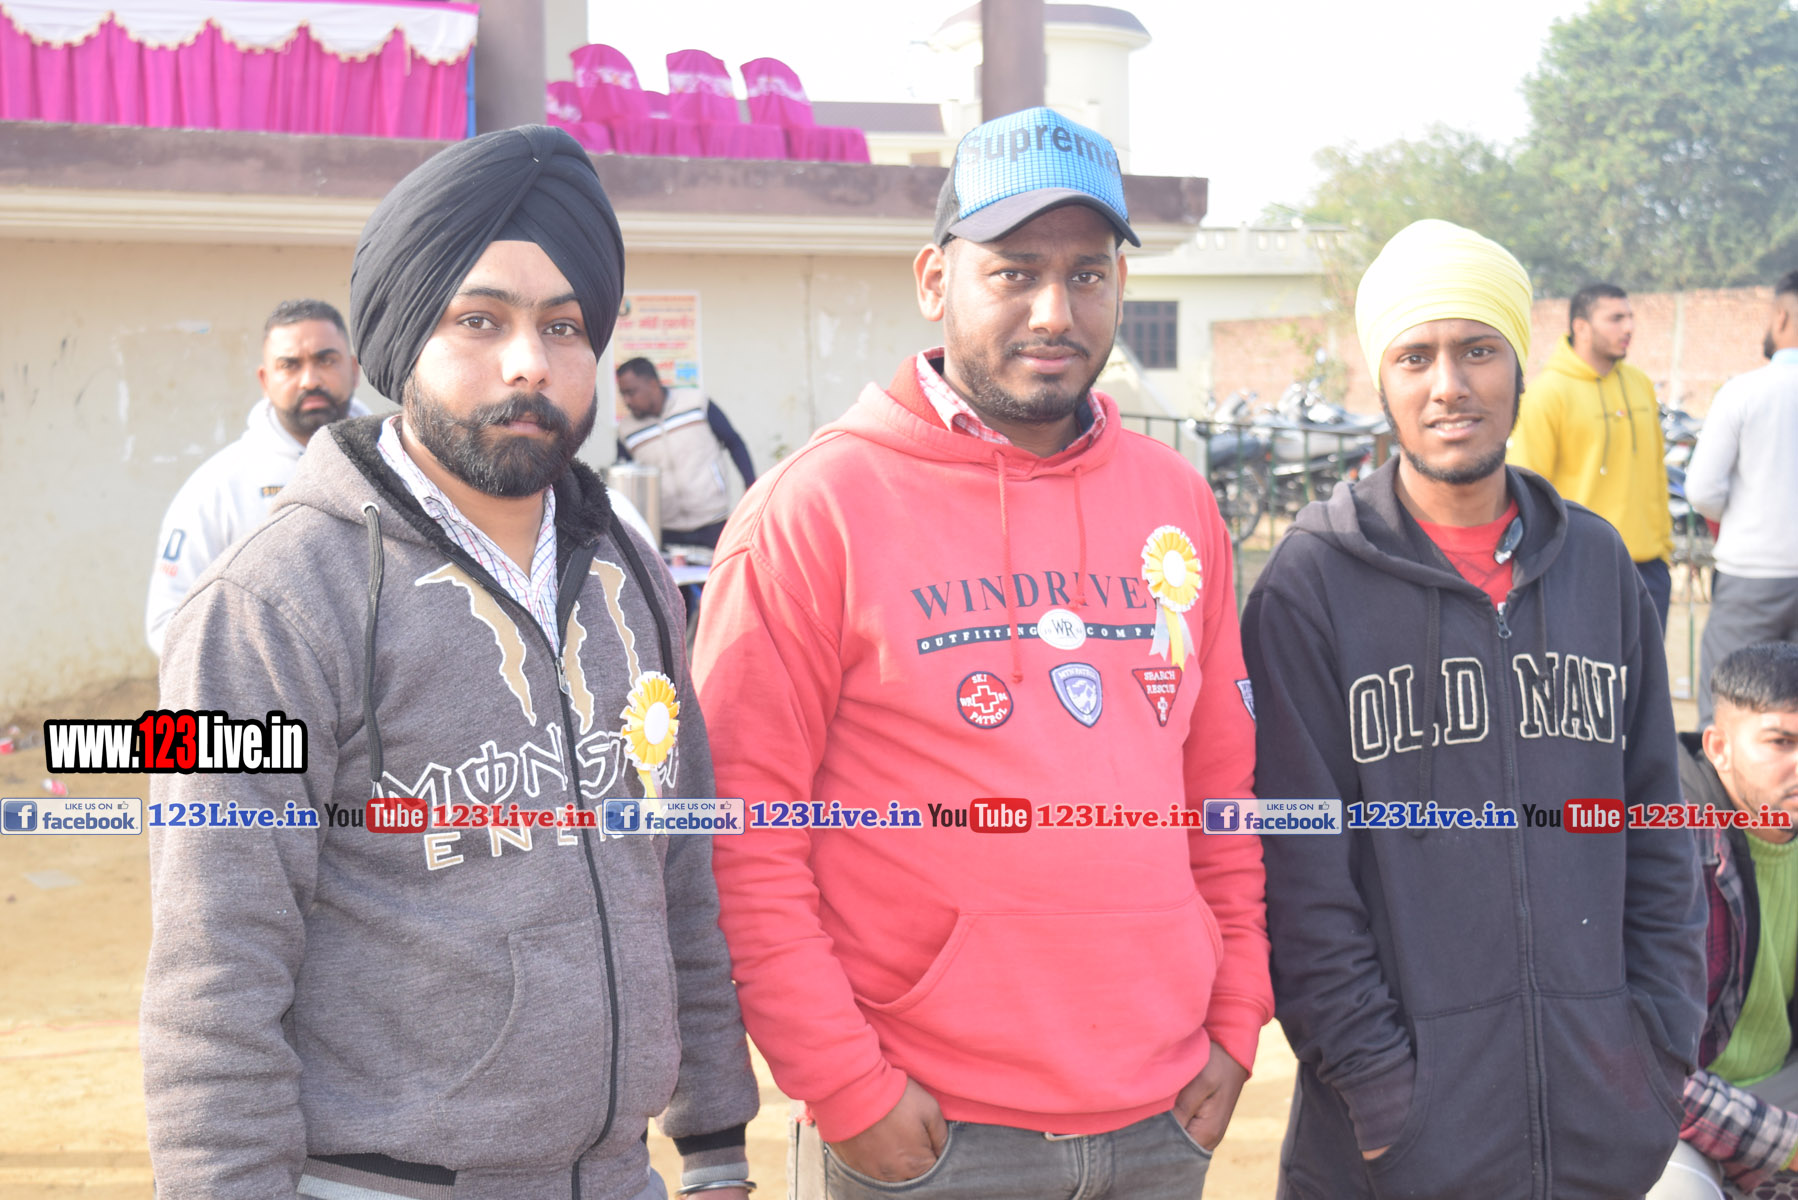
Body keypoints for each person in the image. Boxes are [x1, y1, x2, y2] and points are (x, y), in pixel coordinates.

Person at [140, 126, 758, 1200]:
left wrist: (714, 1148)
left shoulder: (633, 580)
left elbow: (680, 875)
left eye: (564, 326)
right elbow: (214, 961)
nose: (529, 362)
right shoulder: (262, 606)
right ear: (400, 340)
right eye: (480, 321)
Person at [694, 106, 1272, 1200]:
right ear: (935, 280)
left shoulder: (1176, 505)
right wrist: (845, 1085)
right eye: (1013, 272)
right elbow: (742, 833)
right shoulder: (815, 511)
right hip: (930, 1134)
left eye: (1087, 274)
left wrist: (1238, 1013)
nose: (1055, 312)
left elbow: (1221, 793)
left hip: (1164, 1118)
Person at [1244, 219, 1707, 1199]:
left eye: (1477, 350)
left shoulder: (1597, 568)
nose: (1448, 384)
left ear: (1519, 369)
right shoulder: (1311, 584)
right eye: (1415, 356)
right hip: (1389, 1145)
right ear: (1383, 381)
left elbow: (1656, 823)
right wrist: (1379, 1089)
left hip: (1594, 1123)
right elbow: (1298, 869)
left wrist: (1657, 1047)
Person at [1649, 643, 1798, 1200]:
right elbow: (1638, 1063)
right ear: (1719, 748)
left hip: (1778, 1083)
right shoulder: (1666, 847)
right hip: (1677, 1108)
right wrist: (1783, 1145)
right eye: (1781, 742)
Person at [144, 299, 367, 655]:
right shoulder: (217, 487)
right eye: (289, 365)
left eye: (326, 360)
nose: (310, 380)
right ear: (265, 380)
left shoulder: (397, 466)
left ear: (354, 371)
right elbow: (166, 624)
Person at [1508, 281, 1675, 630]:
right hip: (1580, 570)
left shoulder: (1641, 384)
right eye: (1615, 318)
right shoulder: (1547, 394)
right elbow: (1527, 489)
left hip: (1649, 570)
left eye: (1630, 317)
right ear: (1581, 327)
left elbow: (1656, 472)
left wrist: (1663, 550)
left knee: (1648, 668)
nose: (1629, 327)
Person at [1684, 270, 1798, 730]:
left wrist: (1735, 519)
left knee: (1729, 709)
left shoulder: (1744, 392)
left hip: (1751, 577)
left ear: (1781, 316)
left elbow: (1701, 490)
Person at [615, 357, 755, 548]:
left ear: (653, 383)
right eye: (623, 394)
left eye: (631, 392)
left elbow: (734, 443)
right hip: (666, 530)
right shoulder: (627, 431)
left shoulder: (696, 404)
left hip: (712, 521)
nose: (627, 401)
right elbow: (625, 477)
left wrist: (750, 485)